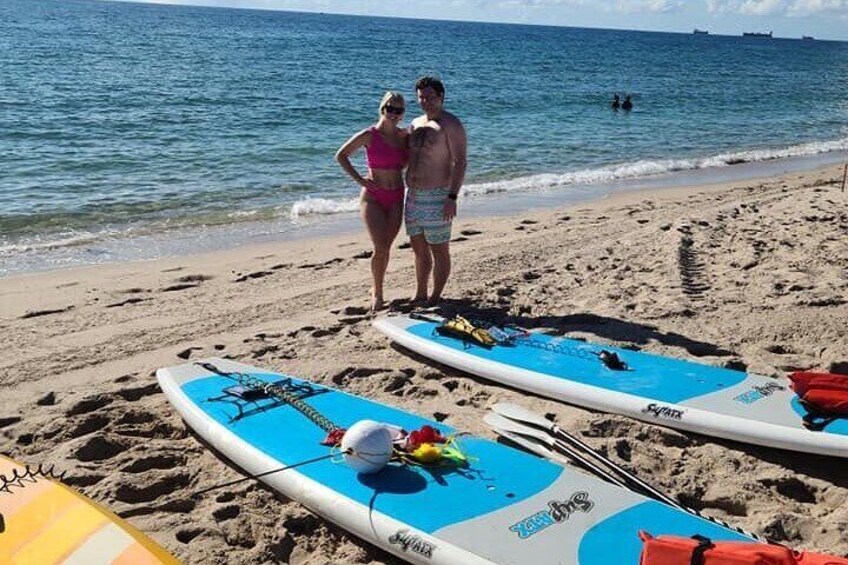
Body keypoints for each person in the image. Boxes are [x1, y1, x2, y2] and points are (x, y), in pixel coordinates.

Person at [336, 91, 409, 312]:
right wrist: (361, 180)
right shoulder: (370, 135)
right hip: (373, 198)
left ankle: (376, 285)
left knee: (386, 247)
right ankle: (377, 292)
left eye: (399, 110)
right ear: (382, 109)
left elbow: (410, 160)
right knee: (380, 246)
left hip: (396, 196)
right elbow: (341, 155)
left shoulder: (403, 136)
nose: (394, 114)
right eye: (390, 108)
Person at [405, 76, 467, 305]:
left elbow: (461, 162)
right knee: (419, 249)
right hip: (412, 197)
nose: (426, 101)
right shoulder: (415, 123)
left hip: (438, 196)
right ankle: (420, 292)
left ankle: (435, 295)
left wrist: (452, 196)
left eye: (431, 96)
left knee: (439, 249)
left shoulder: (451, 124)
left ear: (441, 97)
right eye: (421, 96)